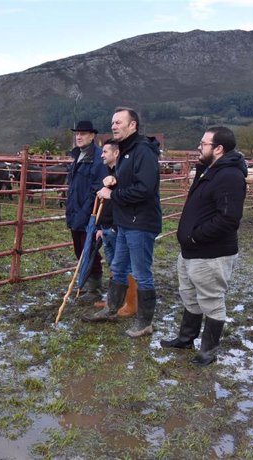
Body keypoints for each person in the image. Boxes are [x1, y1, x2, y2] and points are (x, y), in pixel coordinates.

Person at [161, 127, 247, 366]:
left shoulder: (229, 175)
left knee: (211, 300)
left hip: (211, 253)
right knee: (189, 295)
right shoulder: (210, 170)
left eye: (204, 143)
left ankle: (208, 351)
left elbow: (229, 218)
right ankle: (186, 338)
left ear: (219, 148)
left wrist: (196, 237)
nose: (199, 147)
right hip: (191, 251)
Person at [84, 107, 162, 339]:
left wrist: (113, 195)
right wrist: (114, 179)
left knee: (140, 272)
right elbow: (132, 181)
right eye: (113, 122)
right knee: (118, 267)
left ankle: (145, 322)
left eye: (119, 122)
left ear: (133, 125)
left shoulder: (143, 151)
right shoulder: (127, 151)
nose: (114, 126)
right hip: (126, 221)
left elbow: (146, 188)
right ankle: (112, 308)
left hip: (141, 222)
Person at [93, 139, 137, 316]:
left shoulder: (123, 173)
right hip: (106, 226)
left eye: (105, 151)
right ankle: (114, 300)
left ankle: (131, 303)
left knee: (124, 265)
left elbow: (122, 200)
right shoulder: (109, 172)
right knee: (114, 264)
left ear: (116, 153)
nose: (102, 155)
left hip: (117, 226)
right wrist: (99, 226)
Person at [65, 120, 108, 297]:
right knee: (79, 248)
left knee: (89, 248)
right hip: (75, 210)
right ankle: (86, 281)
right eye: (77, 134)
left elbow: (96, 189)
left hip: (90, 212)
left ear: (92, 136)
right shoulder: (78, 156)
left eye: (83, 134)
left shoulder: (98, 158)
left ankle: (94, 286)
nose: (79, 137)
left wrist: (86, 212)